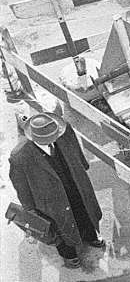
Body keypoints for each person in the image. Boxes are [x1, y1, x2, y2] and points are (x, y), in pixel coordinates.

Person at [8, 105, 103, 269]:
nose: (53, 139)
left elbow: (76, 150)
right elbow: (22, 189)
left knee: (84, 211)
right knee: (59, 227)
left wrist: (82, 166)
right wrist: (30, 210)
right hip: (50, 201)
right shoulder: (20, 157)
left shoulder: (63, 131)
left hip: (74, 185)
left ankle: (90, 235)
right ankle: (69, 255)